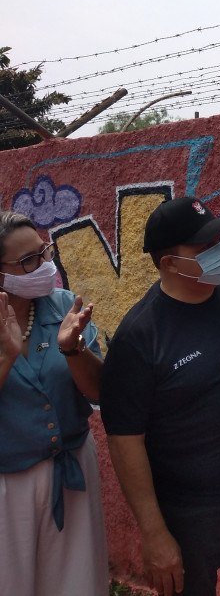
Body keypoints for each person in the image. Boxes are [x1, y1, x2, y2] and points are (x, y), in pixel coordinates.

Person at [101, 197, 220, 596]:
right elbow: (124, 440)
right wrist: (154, 533)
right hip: (188, 512)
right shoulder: (140, 336)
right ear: (168, 263)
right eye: (205, 247)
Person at [0, 211, 108, 596]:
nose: (45, 266)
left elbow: (98, 392)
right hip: (7, 487)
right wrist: (6, 357)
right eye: (28, 261)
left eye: (43, 252)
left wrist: (73, 350)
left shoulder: (65, 305)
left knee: (76, 583)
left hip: (72, 469)